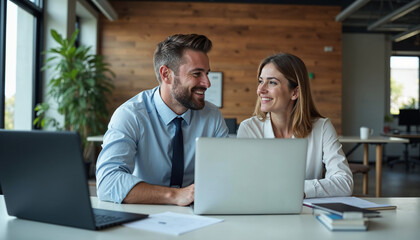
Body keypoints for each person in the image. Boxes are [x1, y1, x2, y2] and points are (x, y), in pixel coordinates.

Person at [96, 34, 229, 206]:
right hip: (143, 213)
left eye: (207, 73)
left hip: (198, 215)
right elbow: (108, 183)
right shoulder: (131, 115)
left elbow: (227, 173)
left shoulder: (212, 116)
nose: (207, 83)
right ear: (166, 74)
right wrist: (175, 196)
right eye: (197, 74)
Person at [237, 53, 353, 198]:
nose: (260, 90)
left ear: (295, 92)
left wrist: (298, 189)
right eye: (261, 81)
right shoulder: (249, 129)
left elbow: (344, 183)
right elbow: (243, 184)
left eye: (272, 82)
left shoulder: (322, 127)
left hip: (306, 215)